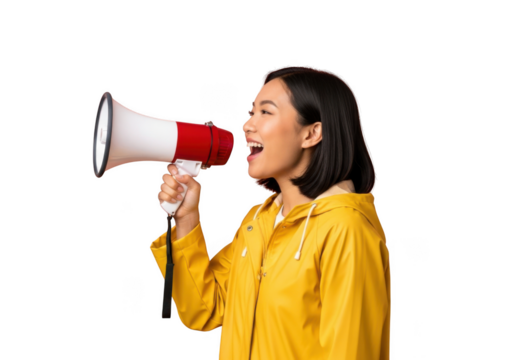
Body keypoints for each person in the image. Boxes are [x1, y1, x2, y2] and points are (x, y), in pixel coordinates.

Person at [151, 64, 391, 360]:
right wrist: (187, 219)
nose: (246, 126)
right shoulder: (259, 221)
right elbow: (204, 309)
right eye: (252, 113)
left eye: (266, 112)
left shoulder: (346, 231)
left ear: (312, 133)